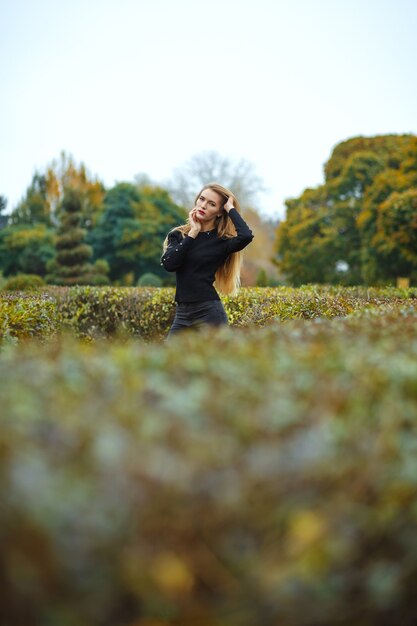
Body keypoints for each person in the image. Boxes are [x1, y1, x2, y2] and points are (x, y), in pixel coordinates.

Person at [161, 182, 254, 337]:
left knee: (219, 360)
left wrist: (230, 208)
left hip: (209, 313)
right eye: (201, 199)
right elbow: (170, 264)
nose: (203, 205)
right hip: (182, 314)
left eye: (211, 204)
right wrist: (193, 232)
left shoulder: (221, 241)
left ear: (219, 212)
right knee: (170, 360)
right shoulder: (179, 235)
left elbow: (246, 236)